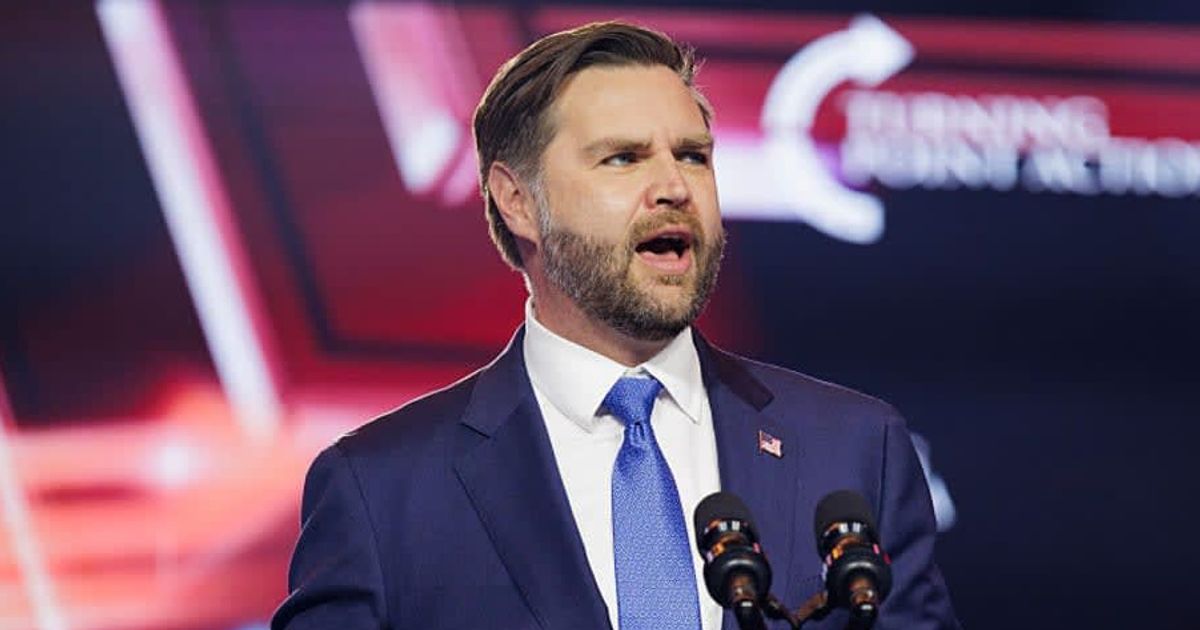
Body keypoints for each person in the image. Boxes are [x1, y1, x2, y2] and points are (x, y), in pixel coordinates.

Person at [272, 21, 958, 630]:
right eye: (623, 158)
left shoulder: (856, 449)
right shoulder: (381, 490)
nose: (675, 187)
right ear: (518, 202)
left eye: (693, 155)